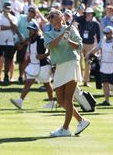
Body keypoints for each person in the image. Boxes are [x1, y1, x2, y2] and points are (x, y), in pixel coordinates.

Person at [44, 9, 90, 137]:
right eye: (49, 17)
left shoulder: (72, 29)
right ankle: (81, 120)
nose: (51, 19)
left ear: (61, 17)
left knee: (68, 99)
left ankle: (65, 128)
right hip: (59, 66)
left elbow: (79, 46)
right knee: (60, 100)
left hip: (71, 62)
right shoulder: (48, 33)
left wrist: (68, 39)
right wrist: (62, 36)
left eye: (53, 16)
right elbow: (50, 46)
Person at [10, 22, 54, 109]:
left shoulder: (41, 39)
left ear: (36, 30)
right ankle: (20, 101)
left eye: (32, 30)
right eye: (29, 30)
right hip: (33, 65)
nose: (30, 31)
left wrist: (43, 55)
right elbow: (23, 44)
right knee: (28, 83)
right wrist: (21, 44)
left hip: (43, 65)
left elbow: (50, 49)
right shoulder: (30, 39)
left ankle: (51, 102)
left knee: (47, 84)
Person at [88, 26, 113, 106]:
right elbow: (97, 48)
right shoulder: (103, 40)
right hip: (104, 64)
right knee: (105, 83)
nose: (106, 34)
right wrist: (89, 53)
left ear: (111, 33)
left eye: (108, 33)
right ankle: (107, 101)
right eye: (105, 33)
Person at [75, 7, 101, 86]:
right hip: (81, 43)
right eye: (87, 13)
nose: (89, 15)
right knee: (78, 61)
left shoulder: (96, 23)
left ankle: (86, 81)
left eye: (90, 14)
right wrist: (84, 15)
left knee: (88, 63)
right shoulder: (82, 20)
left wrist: (99, 47)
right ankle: (79, 78)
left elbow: (98, 35)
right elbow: (76, 18)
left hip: (90, 44)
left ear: (93, 14)